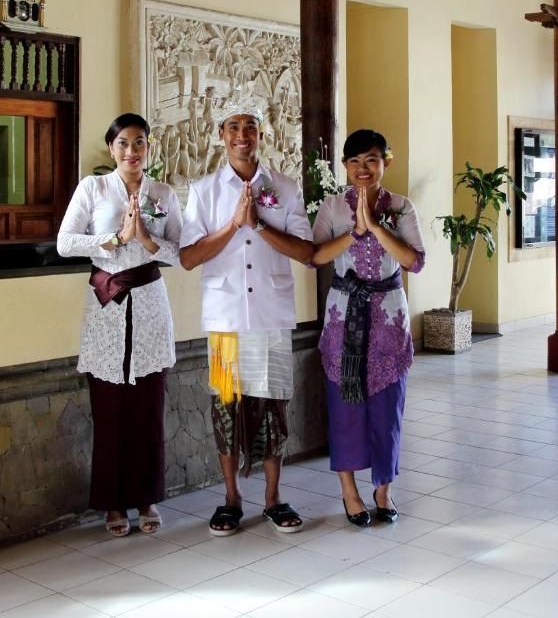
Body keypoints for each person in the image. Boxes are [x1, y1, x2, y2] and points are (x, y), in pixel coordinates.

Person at [180, 92, 314, 537]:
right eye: (233, 127)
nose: (242, 135)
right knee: (226, 407)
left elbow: (306, 252)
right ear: (220, 135)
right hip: (224, 321)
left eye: (250, 127)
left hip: (272, 316)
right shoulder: (202, 192)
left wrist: (258, 224)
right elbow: (189, 257)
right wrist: (234, 225)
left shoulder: (286, 188)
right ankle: (231, 499)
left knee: (273, 406)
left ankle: (274, 498)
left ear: (261, 134)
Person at [57, 113, 182, 537]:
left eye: (140, 143)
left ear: (149, 148)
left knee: (148, 408)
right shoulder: (93, 188)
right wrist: (114, 240)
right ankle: (113, 505)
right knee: (109, 411)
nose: (132, 151)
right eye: (124, 143)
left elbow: (180, 252)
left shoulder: (163, 193)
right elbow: (65, 242)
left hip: (149, 300)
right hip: (107, 303)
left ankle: (147, 498)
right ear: (112, 148)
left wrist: (146, 238)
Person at [311, 129, 425, 526]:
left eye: (371, 160)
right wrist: (353, 233)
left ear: (385, 163)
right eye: (355, 161)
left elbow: (414, 261)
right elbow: (315, 256)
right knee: (345, 407)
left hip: (389, 318)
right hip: (344, 318)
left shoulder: (401, 206)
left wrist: (377, 227)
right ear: (345, 165)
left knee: (388, 406)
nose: (363, 168)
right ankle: (349, 491)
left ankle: (383, 489)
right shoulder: (331, 206)